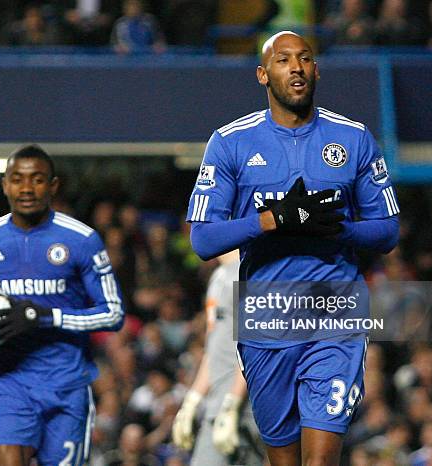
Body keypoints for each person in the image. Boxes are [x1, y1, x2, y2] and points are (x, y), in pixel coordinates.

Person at [186, 31, 400, 465]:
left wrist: (339, 231)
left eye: (304, 59)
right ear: (264, 75)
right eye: (283, 60)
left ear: (316, 70)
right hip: (266, 319)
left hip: (334, 315)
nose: (296, 67)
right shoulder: (230, 142)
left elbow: (388, 230)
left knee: (320, 460)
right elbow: (203, 240)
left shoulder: (354, 138)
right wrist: (273, 220)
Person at [0, 144, 124, 466]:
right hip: (9, 383)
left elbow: (113, 313)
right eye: (17, 179)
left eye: (37, 179)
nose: (27, 188)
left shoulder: (82, 240)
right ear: (4, 184)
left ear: (53, 186)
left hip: (66, 387)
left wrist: (46, 317)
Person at [171, 250, 264, 465]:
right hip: (217, 407)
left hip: (243, 410)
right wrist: (192, 400)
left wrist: (232, 403)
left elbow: (254, 347)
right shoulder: (218, 276)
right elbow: (213, 348)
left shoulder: (247, 274)